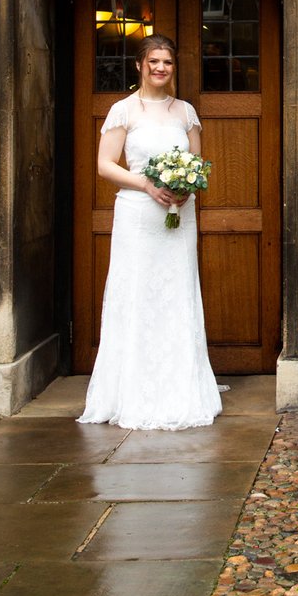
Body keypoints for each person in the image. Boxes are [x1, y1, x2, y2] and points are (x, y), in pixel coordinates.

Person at [78, 34, 222, 430]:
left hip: (178, 213)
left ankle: (182, 387)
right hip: (139, 216)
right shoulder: (123, 111)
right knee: (138, 293)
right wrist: (145, 184)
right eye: (154, 61)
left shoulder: (185, 113)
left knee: (177, 291)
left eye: (168, 63)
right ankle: (131, 390)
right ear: (139, 65)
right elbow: (105, 165)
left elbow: (196, 162)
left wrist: (184, 186)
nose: (161, 68)